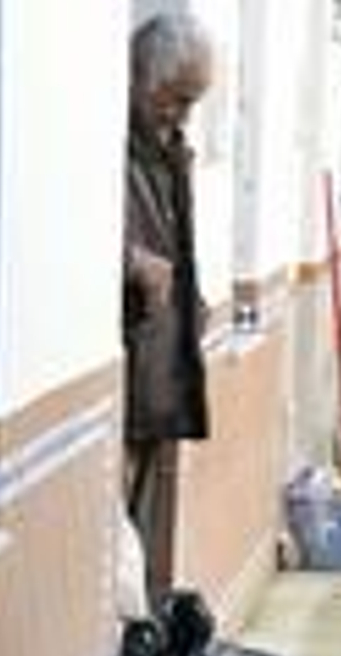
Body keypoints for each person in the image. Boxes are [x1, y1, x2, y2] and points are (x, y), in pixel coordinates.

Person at [123, 12, 215, 605]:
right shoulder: (105, 138)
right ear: (138, 77)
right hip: (129, 364)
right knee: (118, 542)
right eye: (175, 98)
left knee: (138, 536)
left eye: (191, 102)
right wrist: (127, 259)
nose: (181, 115)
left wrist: (192, 299)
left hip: (162, 365)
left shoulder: (169, 148)